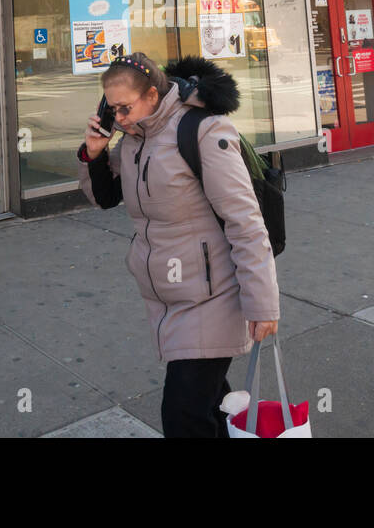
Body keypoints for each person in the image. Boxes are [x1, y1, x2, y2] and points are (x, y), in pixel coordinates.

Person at [78, 53, 279, 438]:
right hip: (168, 294)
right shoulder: (136, 138)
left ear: (152, 95)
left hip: (213, 295)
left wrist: (263, 303)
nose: (117, 118)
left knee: (183, 415)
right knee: (204, 407)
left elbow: (245, 221)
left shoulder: (203, 131)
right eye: (111, 108)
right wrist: (94, 151)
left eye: (124, 107)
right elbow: (105, 198)